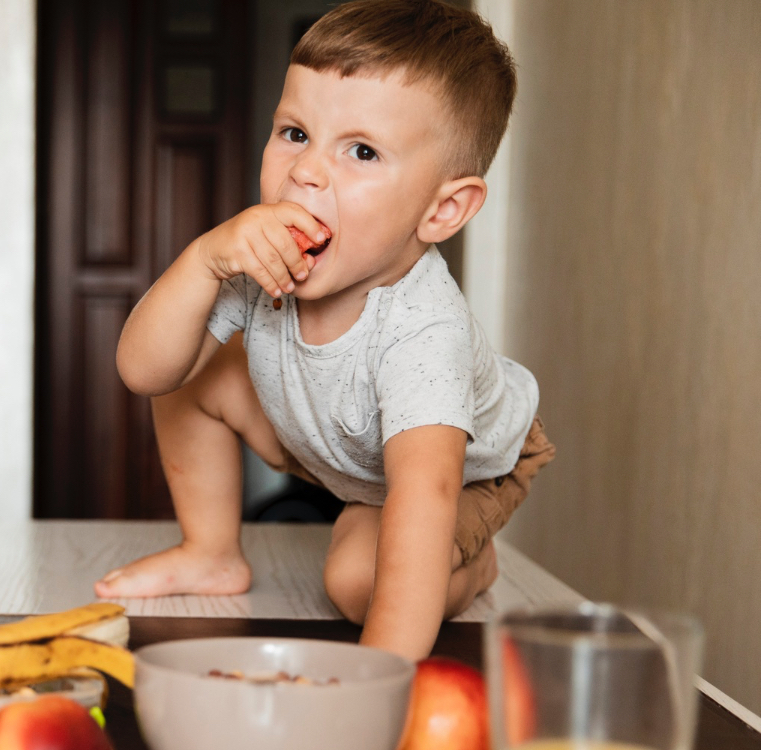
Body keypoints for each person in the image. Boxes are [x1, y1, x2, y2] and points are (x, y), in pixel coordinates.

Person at [94, 0, 553, 662]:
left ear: (443, 209)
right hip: (337, 435)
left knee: (356, 580)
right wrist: (203, 261)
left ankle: (473, 565)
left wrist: (370, 689)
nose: (306, 171)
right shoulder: (261, 258)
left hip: (463, 472)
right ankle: (211, 552)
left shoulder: (424, 332)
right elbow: (145, 371)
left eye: (361, 151)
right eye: (295, 133)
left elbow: (423, 498)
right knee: (189, 358)